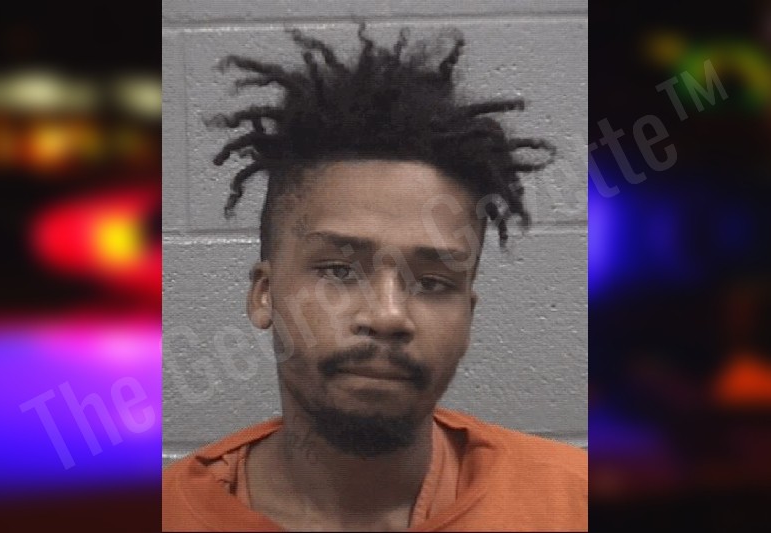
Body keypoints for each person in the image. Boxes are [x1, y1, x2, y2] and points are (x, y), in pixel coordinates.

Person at [162, 23, 587, 532]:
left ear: (468, 316)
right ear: (265, 294)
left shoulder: (572, 502)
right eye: (339, 271)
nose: (388, 316)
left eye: (433, 282)